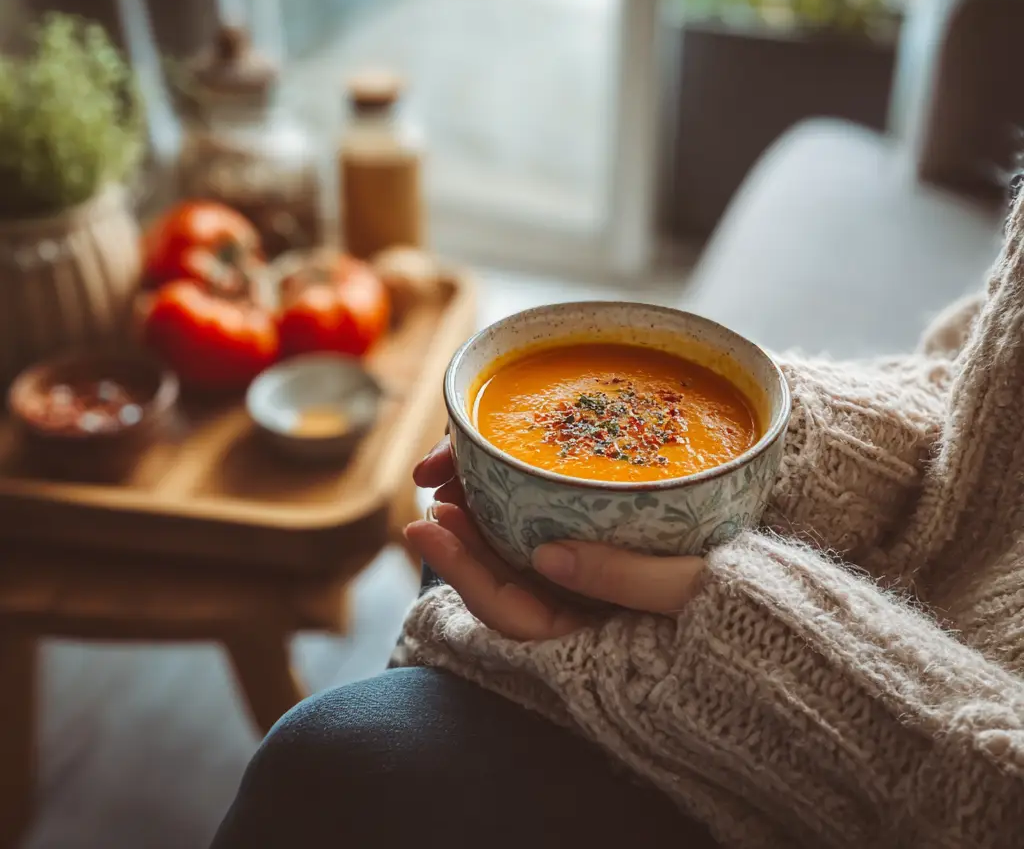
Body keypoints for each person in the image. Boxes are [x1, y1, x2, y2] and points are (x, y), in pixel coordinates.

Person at [213, 198, 1024, 849]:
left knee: (326, 763)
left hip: (891, 730)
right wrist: (787, 453)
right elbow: (975, 394)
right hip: (902, 583)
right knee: (466, 547)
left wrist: (791, 653)